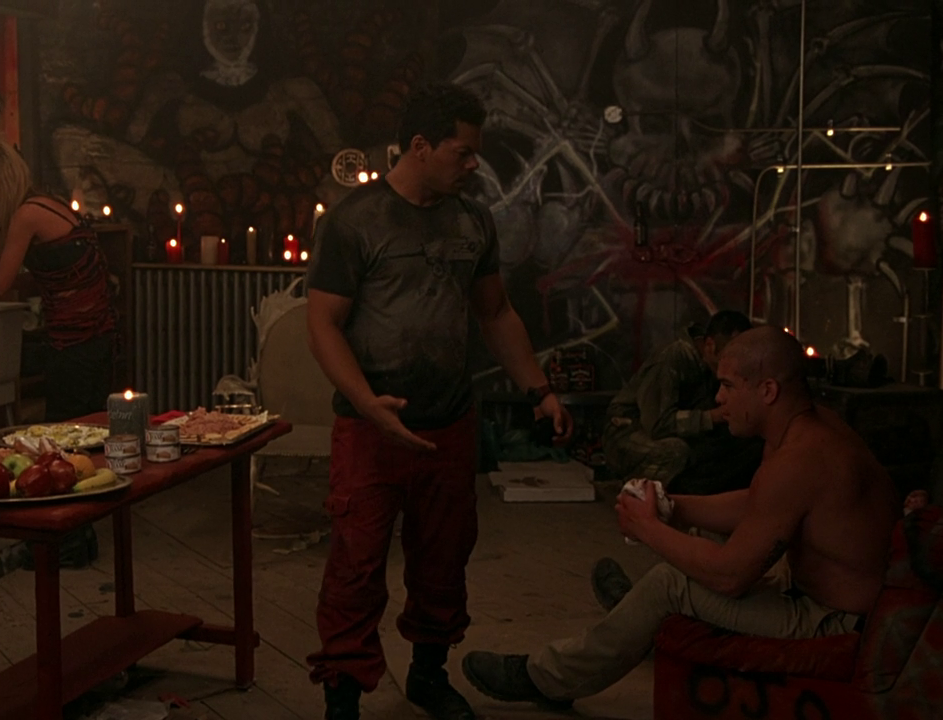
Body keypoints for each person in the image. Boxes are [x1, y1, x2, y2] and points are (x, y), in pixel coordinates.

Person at [304, 82, 569, 720]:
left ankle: (428, 675)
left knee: (444, 560)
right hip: (370, 431)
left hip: (448, 425)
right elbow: (322, 324)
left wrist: (540, 390)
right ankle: (343, 696)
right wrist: (368, 403)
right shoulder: (354, 220)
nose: (474, 163)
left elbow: (496, 313)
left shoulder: (472, 220)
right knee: (356, 566)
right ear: (420, 146)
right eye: (463, 151)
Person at [460, 326, 899, 709]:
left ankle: (547, 679)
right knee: (687, 565)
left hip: (834, 621)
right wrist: (672, 506)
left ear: (767, 391)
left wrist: (648, 528)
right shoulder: (806, 427)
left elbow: (730, 577)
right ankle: (639, 619)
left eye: (727, 386)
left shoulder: (800, 460)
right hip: (813, 594)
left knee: (668, 584)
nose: (718, 398)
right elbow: (759, 504)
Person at [0, 136, 117, 422]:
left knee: (66, 425)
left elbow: (0, 285)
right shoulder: (49, 203)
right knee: (93, 422)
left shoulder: (26, 215)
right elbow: (60, 275)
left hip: (75, 340)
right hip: (99, 334)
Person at [603, 310, 762, 495]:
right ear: (710, 346)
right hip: (628, 432)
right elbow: (656, 425)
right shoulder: (673, 356)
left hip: (675, 434)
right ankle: (639, 496)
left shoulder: (710, 367)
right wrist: (712, 417)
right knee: (675, 452)